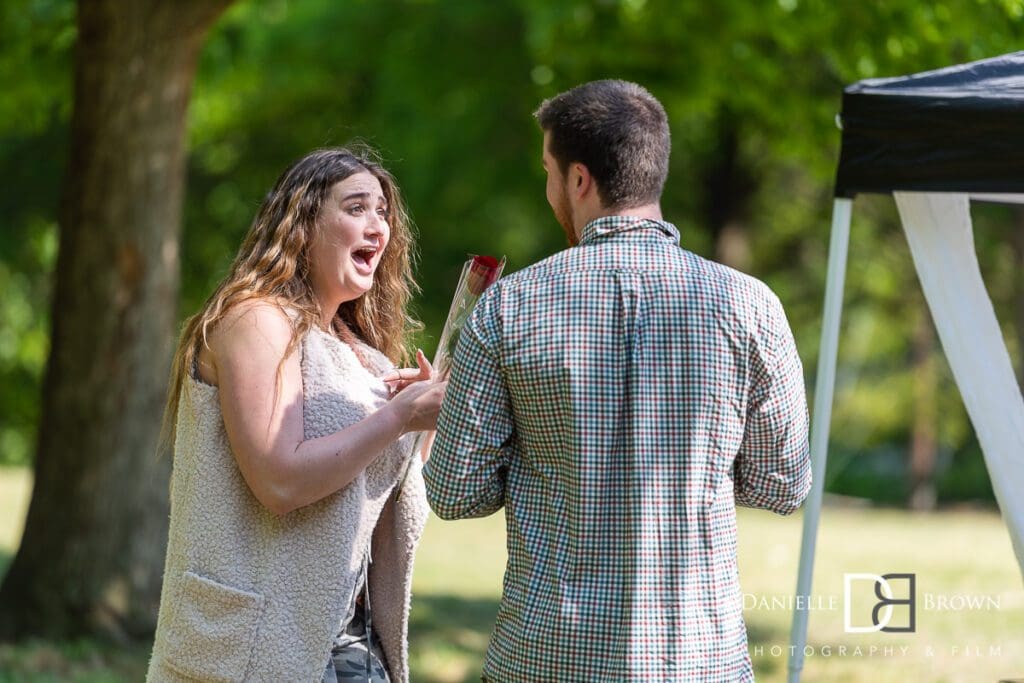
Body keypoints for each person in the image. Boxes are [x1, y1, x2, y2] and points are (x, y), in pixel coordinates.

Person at [424, 80, 812, 682]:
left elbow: (453, 492)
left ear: (579, 180)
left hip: (546, 655)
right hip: (697, 659)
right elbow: (782, 485)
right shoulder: (751, 307)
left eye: (549, 172)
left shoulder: (506, 309)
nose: (549, 189)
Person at [147, 147, 445, 682]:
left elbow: (376, 500)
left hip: (352, 650)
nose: (378, 225)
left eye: (383, 212)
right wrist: (397, 418)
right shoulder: (254, 319)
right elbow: (278, 480)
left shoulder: (365, 358)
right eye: (357, 208)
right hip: (252, 648)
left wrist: (419, 420)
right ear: (302, 224)